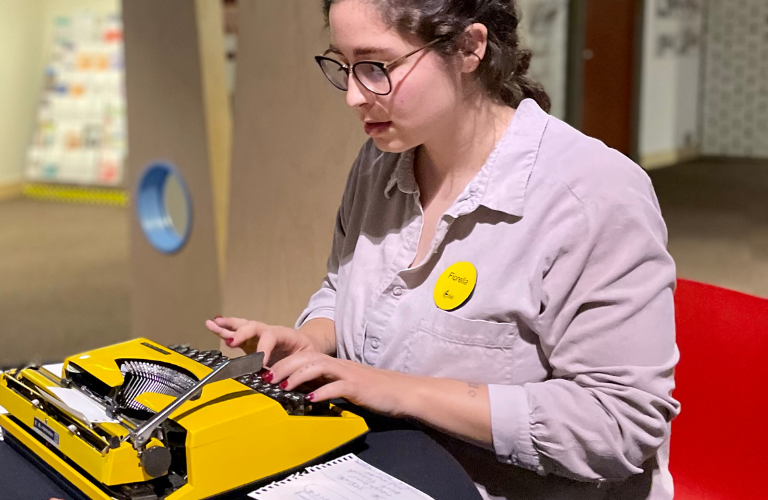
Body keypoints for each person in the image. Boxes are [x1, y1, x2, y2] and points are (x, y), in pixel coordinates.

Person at [206, 1, 679, 498]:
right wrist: (315, 340)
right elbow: (341, 285)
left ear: (469, 48)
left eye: (376, 67)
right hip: (388, 464)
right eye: (344, 67)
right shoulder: (380, 162)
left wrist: (394, 390)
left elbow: (617, 422)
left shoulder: (590, 195)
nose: (352, 95)